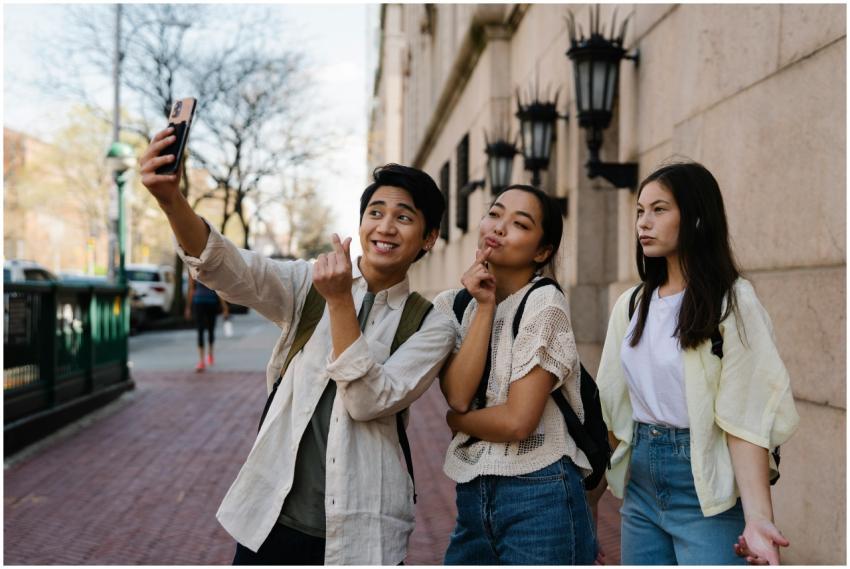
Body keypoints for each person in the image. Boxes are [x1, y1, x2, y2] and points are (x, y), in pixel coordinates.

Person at [139, 125, 456, 565]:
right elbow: (230, 269)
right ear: (361, 223)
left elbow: (367, 400)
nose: (385, 226)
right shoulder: (308, 282)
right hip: (271, 516)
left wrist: (341, 301)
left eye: (404, 217)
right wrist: (171, 202)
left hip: (362, 532)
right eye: (375, 212)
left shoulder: (431, 325)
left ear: (428, 238)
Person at [591, 161, 799, 565]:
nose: (643, 223)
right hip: (641, 486)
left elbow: (747, 415)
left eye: (659, 209)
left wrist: (758, 519)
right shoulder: (632, 305)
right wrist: (590, 503)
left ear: (698, 218)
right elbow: (610, 412)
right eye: (640, 211)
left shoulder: (733, 302)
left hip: (706, 489)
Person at [433, 184, 597, 565]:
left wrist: (456, 422)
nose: (500, 227)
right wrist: (485, 306)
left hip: (541, 490)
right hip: (473, 493)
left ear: (542, 251)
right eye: (494, 213)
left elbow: (518, 421)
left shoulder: (544, 302)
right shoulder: (454, 305)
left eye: (520, 224)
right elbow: (458, 394)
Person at [185, 273, 230, 372]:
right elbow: (191, 289)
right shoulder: (193, 270)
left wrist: (224, 307)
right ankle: (201, 361)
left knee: (211, 329)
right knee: (200, 330)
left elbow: (218, 289)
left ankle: (210, 353)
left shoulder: (211, 269)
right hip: (198, 303)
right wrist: (188, 307)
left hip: (211, 303)